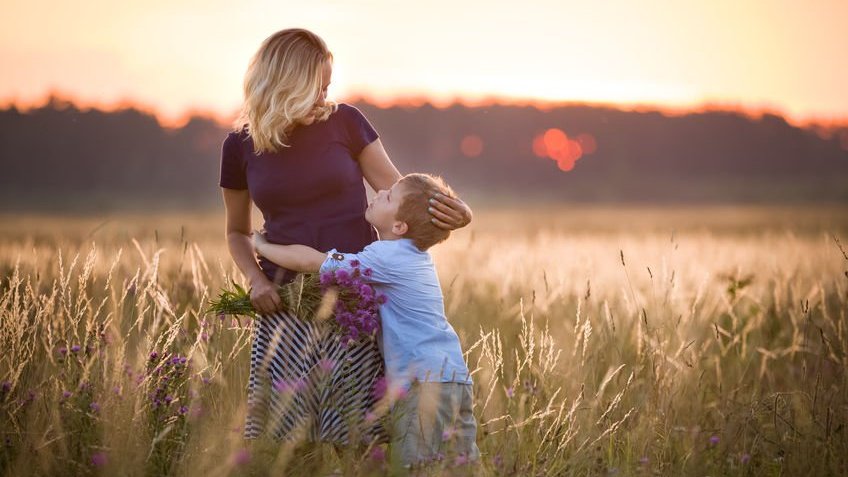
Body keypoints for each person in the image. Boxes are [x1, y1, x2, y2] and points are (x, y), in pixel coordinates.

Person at [219, 28, 472, 446]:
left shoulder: (346, 122)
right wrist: (256, 279)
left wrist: (456, 211)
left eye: (328, 84)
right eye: (316, 85)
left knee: (360, 439)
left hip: (354, 303)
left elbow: (400, 194)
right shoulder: (240, 147)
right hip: (284, 306)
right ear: (286, 83)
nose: (325, 94)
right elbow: (236, 232)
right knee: (286, 442)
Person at [253, 173, 480, 466]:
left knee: (415, 466)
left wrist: (260, 245)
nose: (381, 190)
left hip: (422, 381)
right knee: (458, 465)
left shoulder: (386, 256)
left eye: (389, 196)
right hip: (452, 376)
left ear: (399, 226)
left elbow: (311, 261)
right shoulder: (414, 255)